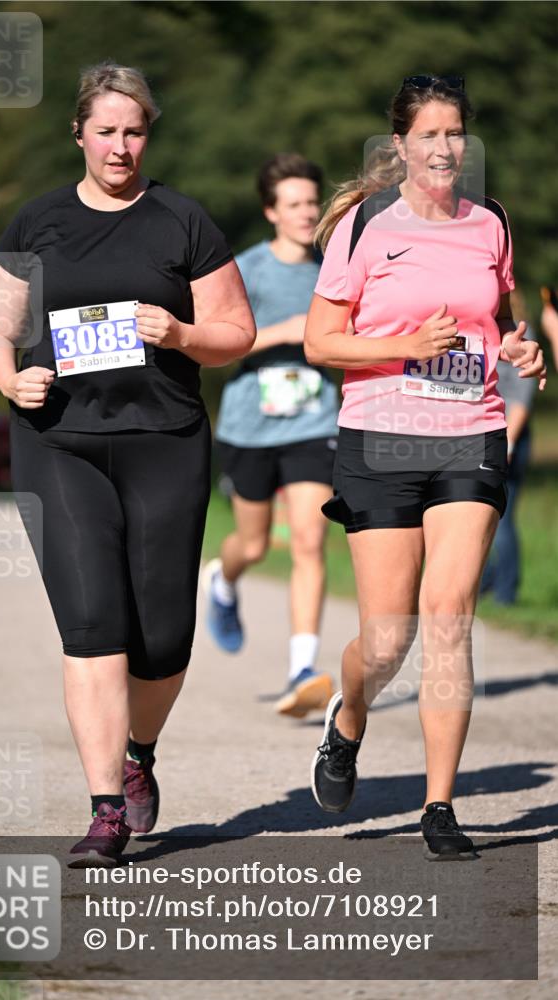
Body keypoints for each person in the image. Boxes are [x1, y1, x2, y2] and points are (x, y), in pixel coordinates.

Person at [0, 60, 255, 865]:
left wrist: (182, 335)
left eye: (133, 131)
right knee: (93, 625)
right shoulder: (37, 222)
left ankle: (138, 754)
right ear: (80, 133)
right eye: (105, 130)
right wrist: (7, 376)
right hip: (59, 440)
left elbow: (235, 331)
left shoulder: (181, 222)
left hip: (163, 442)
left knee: (160, 641)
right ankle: (103, 809)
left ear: (146, 135)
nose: (120, 146)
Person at [304, 75, 546, 860]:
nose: (444, 149)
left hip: (469, 433)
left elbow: (499, 323)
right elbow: (321, 342)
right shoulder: (365, 223)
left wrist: (519, 349)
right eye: (429, 135)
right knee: (386, 639)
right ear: (399, 144)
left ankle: (438, 806)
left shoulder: (491, 224)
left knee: (448, 617)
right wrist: (400, 347)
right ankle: (346, 721)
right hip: (379, 437)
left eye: (455, 135)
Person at [203, 153, 339, 719]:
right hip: (250, 424)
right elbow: (212, 347)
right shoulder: (247, 270)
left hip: (315, 421)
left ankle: (302, 668)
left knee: (309, 539)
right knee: (255, 544)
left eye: (313, 201)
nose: (308, 212)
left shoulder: (337, 268)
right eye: (295, 204)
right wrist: (284, 331)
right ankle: (223, 577)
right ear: (270, 211)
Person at [480, 291, 537, 604]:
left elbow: (521, 398)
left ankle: (506, 593)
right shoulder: (479, 331)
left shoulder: (519, 334)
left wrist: (509, 443)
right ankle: (484, 582)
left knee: (502, 518)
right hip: (481, 431)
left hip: (508, 435)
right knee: (479, 517)